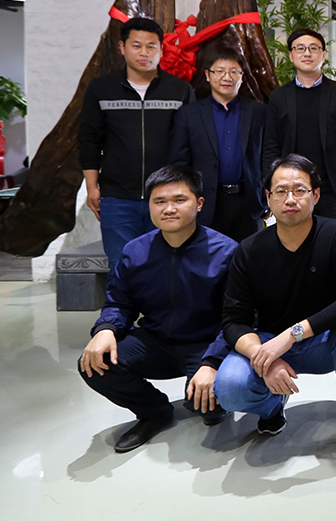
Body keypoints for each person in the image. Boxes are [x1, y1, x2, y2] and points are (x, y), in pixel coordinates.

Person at [212, 155, 336, 456]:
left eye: (300, 190)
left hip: (324, 342)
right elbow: (234, 319)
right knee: (229, 388)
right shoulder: (249, 250)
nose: (290, 199)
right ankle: (271, 406)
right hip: (269, 341)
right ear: (268, 198)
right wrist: (265, 358)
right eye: (281, 191)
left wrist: (291, 335)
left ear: (316, 195)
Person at [78, 165, 237, 453]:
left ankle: (211, 396)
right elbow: (119, 303)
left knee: (207, 407)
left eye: (179, 200)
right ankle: (154, 412)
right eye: (159, 201)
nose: (169, 209)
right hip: (156, 341)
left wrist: (212, 363)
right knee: (94, 363)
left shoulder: (226, 252)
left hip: (206, 345)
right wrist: (106, 329)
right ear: (149, 206)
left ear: (199, 203)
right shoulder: (135, 251)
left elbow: (237, 318)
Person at [79, 17, 196, 270]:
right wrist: (92, 187)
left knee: (168, 266)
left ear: (161, 49)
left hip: (167, 196)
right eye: (136, 45)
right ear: (122, 47)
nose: (144, 53)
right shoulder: (101, 89)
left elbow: (190, 143)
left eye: (151, 46)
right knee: (122, 267)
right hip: (117, 198)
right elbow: (89, 140)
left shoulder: (180, 90)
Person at [262, 29, 336, 224]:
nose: (307, 53)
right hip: (292, 191)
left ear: (323, 55)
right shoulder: (279, 97)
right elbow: (271, 146)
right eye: (300, 48)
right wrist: (272, 186)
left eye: (313, 48)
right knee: (294, 239)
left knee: (334, 239)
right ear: (291, 55)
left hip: (333, 189)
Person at [171, 48, 267, 241]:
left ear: (241, 76)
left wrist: (266, 199)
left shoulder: (259, 112)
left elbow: (268, 157)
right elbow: (180, 163)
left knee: (248, 257)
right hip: (205, 204)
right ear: (208, 75)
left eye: (233, 72)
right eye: (220, 71)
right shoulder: (189, 114)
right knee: (207, 257)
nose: (227, 77)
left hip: (248, 203)